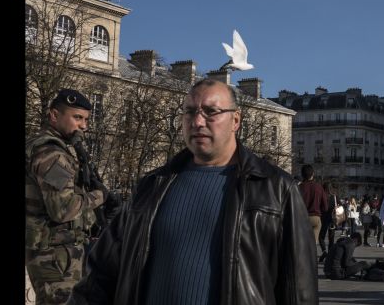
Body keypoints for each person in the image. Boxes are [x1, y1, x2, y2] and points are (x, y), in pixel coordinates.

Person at [69, 79, 317, 304]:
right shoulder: (152, 187)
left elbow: (299, 288)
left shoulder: (276, 188)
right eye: (190, 112)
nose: (197, 121)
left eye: (211, 112)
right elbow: (99, 276)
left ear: (236, 121)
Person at [26, 89, 107, 305]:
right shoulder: (51, 153)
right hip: (54, 255)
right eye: (77, 117)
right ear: (54, 115)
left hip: (59, 253)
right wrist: (99, 196)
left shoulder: (55, 148)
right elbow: (62, 209)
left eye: (86, 119)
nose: (83, 126)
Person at [299, 164, 328, 263]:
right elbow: (325, 206)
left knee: (301, 242)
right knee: (313, 243)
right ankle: (311, 262)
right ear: (313, 174)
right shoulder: (318, 187)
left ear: (302, 175)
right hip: (315, 217)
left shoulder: (299, 187)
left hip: (302, 218)